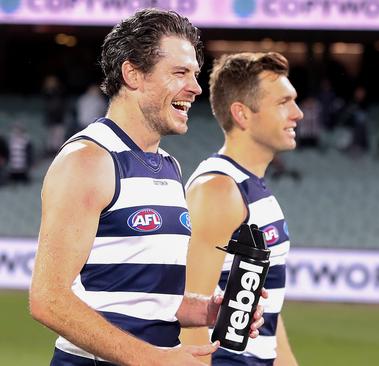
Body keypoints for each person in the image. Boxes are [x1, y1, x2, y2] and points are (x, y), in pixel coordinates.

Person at [29, 9, 263, 365]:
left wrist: (204, 311)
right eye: (180, 73)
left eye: (195, 75)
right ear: (132, 74)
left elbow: (138, 298)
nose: (196, 88)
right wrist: (154, 359)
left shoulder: (169, 166)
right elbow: (48, 300)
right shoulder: (88, 159)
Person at [181, 52, 302, 365]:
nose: (298, 113)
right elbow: (188, 325)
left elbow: (271, 309)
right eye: (283, 102)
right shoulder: (218, 190)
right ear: (242, 114)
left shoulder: (250, 187)